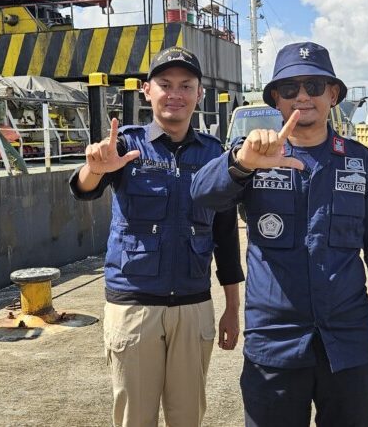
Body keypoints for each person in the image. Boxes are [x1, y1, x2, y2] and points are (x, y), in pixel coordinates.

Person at [190, 42, 368, 427]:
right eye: (290, 88)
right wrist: (242, 164)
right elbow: (200, 194)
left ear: (333, 95)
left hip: (347, 345)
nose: (303, 96)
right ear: (276, 100)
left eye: (314, 86)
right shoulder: (249, 156)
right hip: (275, 347)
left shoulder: (361, 162)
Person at [68, 46, 244, 427]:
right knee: (134, 418)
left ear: (199, 94)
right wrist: (95, 168)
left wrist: (232, 308)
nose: (175, 94)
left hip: (193, 307)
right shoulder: (126, 146)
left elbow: (226, 238)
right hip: (134, 307)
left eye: (186, 85)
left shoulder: (216, 156)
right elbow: (85, 189)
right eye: (165, 84)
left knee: (188, 417)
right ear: (147, 90)